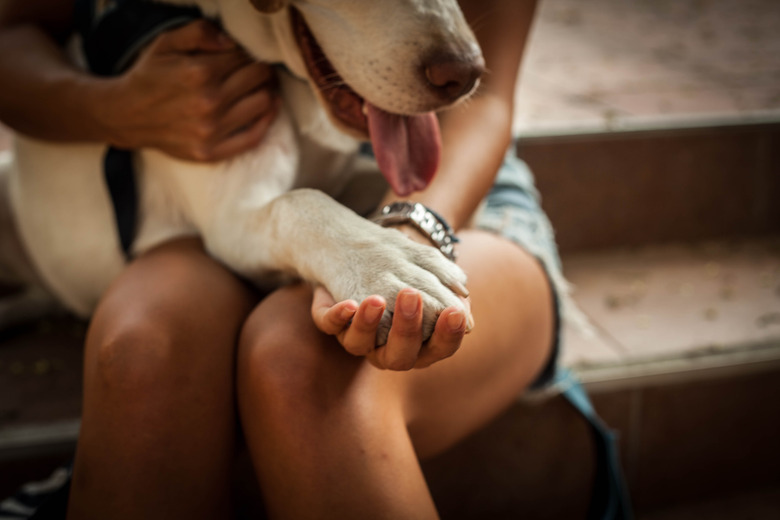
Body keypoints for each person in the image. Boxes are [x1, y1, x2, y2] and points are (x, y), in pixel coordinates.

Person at [0, 1, 562, 518]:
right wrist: (119, 107)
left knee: (301, 364)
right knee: (143, 352)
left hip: (457, 188)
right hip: (226, 189)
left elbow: (481, 92)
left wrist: (409, 232)